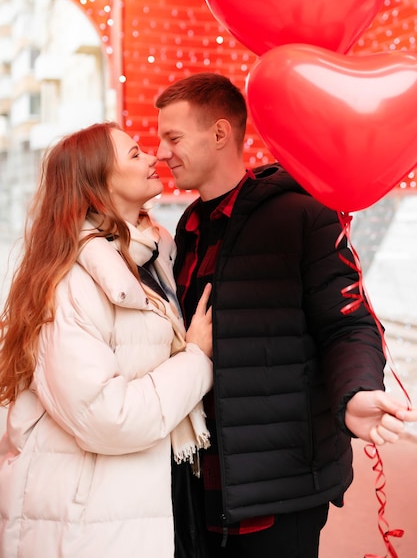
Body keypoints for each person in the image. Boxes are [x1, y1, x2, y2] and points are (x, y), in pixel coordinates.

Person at [155, 72, 417, 558]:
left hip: (281, 480)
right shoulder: (189, 227)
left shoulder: (301, 215)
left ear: (219, 134)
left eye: (173, 138)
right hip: (202, 481)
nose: (162, 153)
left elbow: (347, 321)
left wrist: (356, 392)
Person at [0, 122, 214, 558]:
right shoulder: (71, 283)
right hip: (88, 525)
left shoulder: (151, 258)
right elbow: (107, 417)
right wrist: (197, 359)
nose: (154, 157)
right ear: (97, 184)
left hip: (137, 504)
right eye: (134, 154)